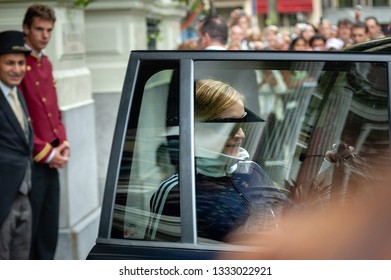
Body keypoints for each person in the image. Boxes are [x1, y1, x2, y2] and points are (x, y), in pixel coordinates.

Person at [146, 79, 289, 242]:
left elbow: (294, 217)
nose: (240, 134)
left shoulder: (251, 170)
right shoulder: (178, 190)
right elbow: (161, 257)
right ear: (196, 128)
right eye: (227, 126)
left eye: (242, 123)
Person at [19, 3, 70, 260]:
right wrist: (48, 152)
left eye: (49, 30)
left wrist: (63, 142)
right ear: (26, 29)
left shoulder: (46, 63)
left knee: (49, 227)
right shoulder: (19, 64)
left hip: (53, 155)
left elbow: (54, 109)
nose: (45, 35)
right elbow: (22, 118)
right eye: (39, 29)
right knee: (32, 229)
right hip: (34, 158)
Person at [0, 30, 33, 259]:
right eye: (9, 63)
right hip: (3, 197)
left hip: (25, 192)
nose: (17, 69)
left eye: (21, 63)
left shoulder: (17, 93)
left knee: (21, 259)